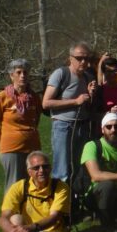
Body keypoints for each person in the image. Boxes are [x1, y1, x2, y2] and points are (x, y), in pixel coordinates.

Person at [42, 42, 97, 183]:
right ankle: (59, 203)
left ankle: (76, 202)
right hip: (63, 126)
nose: (83, 62)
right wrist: (75, 101)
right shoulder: (61, 74)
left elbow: (87, 106)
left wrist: (90, 95)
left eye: (86, 58)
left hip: (82, 126)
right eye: (79, 58)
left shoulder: (87, 77)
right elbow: (46, 103)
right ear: (70, 58)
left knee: (80, 169)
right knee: (62, 170)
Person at [0, 59, 42, 193]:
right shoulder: (2, 97)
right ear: (11, 75)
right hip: (12, 149)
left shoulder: (34, 97)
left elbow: (36, 118)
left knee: (34, 183)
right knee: (14, 186)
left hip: (32, 147)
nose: (22, 75)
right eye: (18, 72)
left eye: (25, 72)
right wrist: (1, 143)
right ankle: (11, 214)